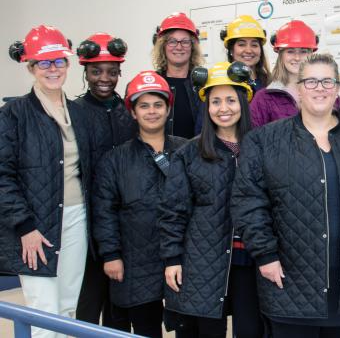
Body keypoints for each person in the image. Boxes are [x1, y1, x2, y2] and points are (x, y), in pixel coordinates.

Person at [230, 53, 340, 338]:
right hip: (287, 279)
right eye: (311, 81)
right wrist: (265, 254)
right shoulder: (264, 142)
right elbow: (249, 202)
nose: (319, 88)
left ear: (337, 89)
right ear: (298, 89)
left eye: (327, 81)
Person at [0, 25, 93, 338]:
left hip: (77, 218)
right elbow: (2, 175)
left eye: (58, 62)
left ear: (68, 65)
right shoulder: (13, 114)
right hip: (35, 225)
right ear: (31, 67)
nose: (53, 69)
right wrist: (24, 227)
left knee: (68, 309)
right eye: (44, 63)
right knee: (43, 311)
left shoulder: (79, 113)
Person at [160, 61, 264, 338]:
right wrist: (172, 258)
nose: (223, 108)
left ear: (244, 102)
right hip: (203, 258)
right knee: (206, 331)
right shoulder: (189, 153)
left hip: (250, 259)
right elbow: (174, 211)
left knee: (251, 330)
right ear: (206, 107)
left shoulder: (262, 149)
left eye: (231, 99)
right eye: (215, 101)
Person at [92, 71, 185, 337]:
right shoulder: (114, 160)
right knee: (146, 327)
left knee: (186, 324)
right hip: (135, 259)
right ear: (133, 113)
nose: (151, 112)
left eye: (158, 105)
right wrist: (111, 255)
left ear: (168, 109)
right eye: (143, 106)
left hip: (180, 256)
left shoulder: (187, 151)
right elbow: (104, 211)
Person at [74, 32, 136, 331]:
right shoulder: (75, 113)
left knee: (118, 306)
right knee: (88, 302)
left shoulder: (130, 112)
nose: (104, 78)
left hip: (124, 223)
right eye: (96, 71)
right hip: (87, 225)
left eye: (112, 72)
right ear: (85, 72)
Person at [251, 20, 340, 127]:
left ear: (311, 54)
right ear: (281, 55)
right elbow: (253, 140)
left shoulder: (326, 93)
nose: (297, 57)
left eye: (303, 51)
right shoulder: (263, 99)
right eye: (290, 51)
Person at [152, 12, 205, 138]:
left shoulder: (203, 83)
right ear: (163, 46)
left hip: (196, 155)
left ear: (192, 47)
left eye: (185, 42)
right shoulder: (153, 83)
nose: (179, 47)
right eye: (172, 41)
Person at [221, 15, 271, 93]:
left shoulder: (271, 82)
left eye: (254, 45)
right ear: (231, 50)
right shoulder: (221, 83)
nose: (248, 50)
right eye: (242, 44)